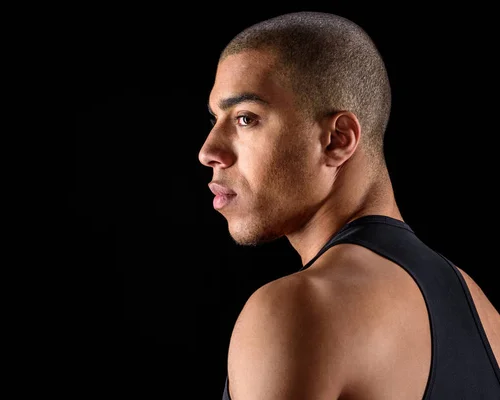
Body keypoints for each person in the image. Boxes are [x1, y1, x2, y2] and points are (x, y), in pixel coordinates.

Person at [197, 11, 500, 400]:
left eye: (245, 118)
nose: (209, 151)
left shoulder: (296, 310)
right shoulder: (485, 314)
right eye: (214, 118)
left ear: (337, 140)